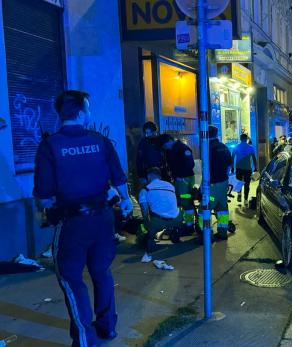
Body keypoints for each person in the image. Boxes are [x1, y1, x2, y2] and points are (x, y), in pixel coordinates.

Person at [33, 90, 133, 346]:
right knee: (101, 272)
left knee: (70, 277)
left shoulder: (50, 145)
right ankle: (108, 328)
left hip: (72, 223)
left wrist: (48, 208)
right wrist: (125, 202)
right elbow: (120, 182)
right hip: (103, 220)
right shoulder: (100, 141)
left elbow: (43, 197)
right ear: (81, 112)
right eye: (88, 109)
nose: (90, 114)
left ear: (60, 113)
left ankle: (85, 338)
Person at [137, 167, 181, 268]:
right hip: (177, 218)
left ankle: (150, 239)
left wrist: (146, 222)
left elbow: (144, 211)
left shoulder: (145, 190)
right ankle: (175, 230)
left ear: (148, 176)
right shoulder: (170, 185)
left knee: (143, 227)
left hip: (159, 222)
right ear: (160, 176)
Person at [202, 126, 233, 241]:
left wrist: (203, 185)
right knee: (222, 209)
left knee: (204, 210)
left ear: (206, 134)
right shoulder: (224, 147)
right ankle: (222, 232)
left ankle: (207, 235)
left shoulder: (207, 148)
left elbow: (206, 168)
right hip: (223, 182)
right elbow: (229, 166)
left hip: (213, 184)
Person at [160, 134, 197, 231]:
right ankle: (183, 221)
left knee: (186, 201)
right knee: (180, 201)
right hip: (179, 179)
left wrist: (181, 175)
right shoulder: (172, 149)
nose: (165, 148)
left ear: (169, 141)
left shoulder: (182, 148)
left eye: (164, 145)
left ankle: (189, 225)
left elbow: (190, 164)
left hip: (184, 179)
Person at [231, 134, 257, 206]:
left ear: (240, 138)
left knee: (239, 182)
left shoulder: (236, 147)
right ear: (246, 139)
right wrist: (255, 168)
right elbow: (254, 158)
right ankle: (245, 199)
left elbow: (232, 158)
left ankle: (239, 194)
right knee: (247, 184)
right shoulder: (250, 148)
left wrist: (232, 167)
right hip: (247, 169)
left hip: (239, 168)